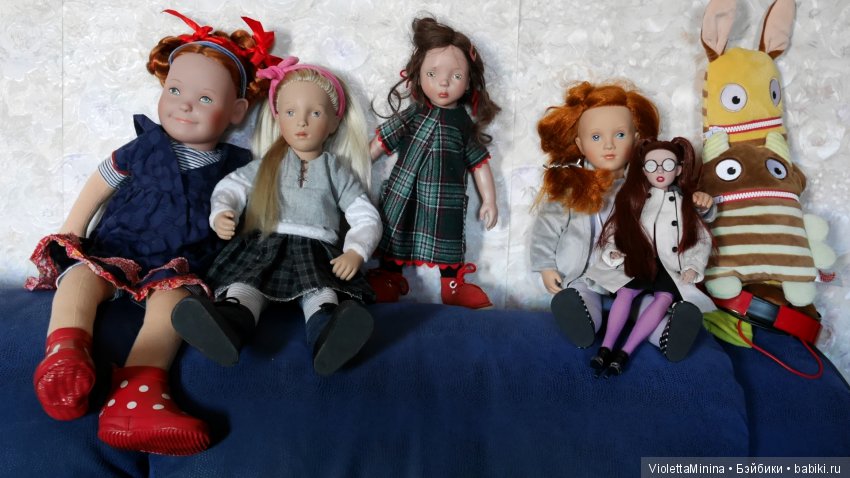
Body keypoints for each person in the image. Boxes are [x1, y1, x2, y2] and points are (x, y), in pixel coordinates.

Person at [24, 10, 278, 455]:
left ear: (237, 111)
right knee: (80, 278)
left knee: (175, 305)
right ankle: (65, 354)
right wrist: (73, 228)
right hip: (117, 246)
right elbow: (101, 182)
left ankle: (137, 396)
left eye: (204, 98)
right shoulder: (144, 146)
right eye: (175, 91)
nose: (184, 104)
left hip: (178, 263)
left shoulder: (234, 169)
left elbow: (250, 213)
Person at [171, 57, 381, 377]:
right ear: (278, 117)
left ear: (334, 122)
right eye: (290, 112)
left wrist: (356, 251)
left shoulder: (336, 171)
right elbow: (230, 188)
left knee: (322, 294)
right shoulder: (266, 165)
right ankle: (227, 325)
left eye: (315, 113)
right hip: (264, 245)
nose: (302, 122)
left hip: (315, 250)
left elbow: (365, 215)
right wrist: (224, 212)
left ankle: (328, 335)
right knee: (244, 286)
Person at [530, 81, 714, 362]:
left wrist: (701, 206)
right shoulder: (571, 186)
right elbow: (547, 227)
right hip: (585, 273)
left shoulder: (648, 186)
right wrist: (545, 265)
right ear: (579, 144)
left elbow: (678, 212)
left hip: (630, 272)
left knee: (646, 305)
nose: (608, 145)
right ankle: (582, 323)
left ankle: (669, 333)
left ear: (637, 139)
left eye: (619, 134)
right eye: (596, 137)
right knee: (581, 295)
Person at [367, 17, 501, 309]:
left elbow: (479, 162)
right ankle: (389, 276)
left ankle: (452, 284)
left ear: (468, 81)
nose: (443, 82)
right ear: (418, 75)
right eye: (433, 73)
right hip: (405, 191)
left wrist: (490, 199)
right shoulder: (413, 114)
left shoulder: (462, 124)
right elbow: (380, 143)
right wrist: (358, 164)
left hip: (445, 198)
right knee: (396, 230)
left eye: (456, 75)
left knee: (448, 236)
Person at [583, 138, 715, 376]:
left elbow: (701, 239)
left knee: (664, 298)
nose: (660, 171)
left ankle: (625, 352)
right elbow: (616, 228)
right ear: (644, 170)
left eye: (668, 164)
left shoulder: (685, 204)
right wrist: (613, 250)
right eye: (652, 165)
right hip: (640, 258)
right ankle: (605, 348)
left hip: (669, 264)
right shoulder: (635, 199)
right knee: (625, 292)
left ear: (679, 169)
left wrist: (693, 265)